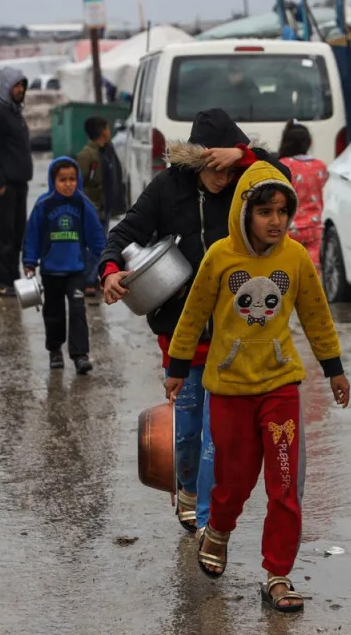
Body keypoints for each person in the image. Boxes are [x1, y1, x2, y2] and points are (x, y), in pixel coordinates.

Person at [163, 161, 350, 613]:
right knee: (234, 480)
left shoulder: (295, 260)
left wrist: (333, 368)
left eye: (283, 212)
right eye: (265, 211)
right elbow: (192, 315)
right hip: (228, 390)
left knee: (284, 483)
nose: (276, 221)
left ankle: (278, 575)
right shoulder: (220, 257)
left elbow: (315, 314)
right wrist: (178, 366)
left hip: (280, 387)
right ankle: (219, 530)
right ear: (245, 212)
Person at [99, 108, 291, 537]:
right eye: (213, 169)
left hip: (231, 330)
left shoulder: (246, 186)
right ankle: (186, 487)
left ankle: (206, 521)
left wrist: (242, 155)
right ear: (195, 161)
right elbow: (123, 232)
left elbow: (281, 176)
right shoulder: (167, 189)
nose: (222, 179)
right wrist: (110, 268)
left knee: (215, 437)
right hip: (180, 333)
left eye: (228, 169)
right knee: (186, 433)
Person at [23, 158, 106, 375]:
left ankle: (80, 355)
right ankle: (55, 350)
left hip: (76, 270)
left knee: (78, 310)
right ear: (53, 180)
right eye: (62, 180)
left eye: (72, 179)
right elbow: (32, 235)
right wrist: (29, 262)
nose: (68, 184)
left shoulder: (83, 204)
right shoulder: (44, 204)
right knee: (54, 312)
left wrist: (107, 263)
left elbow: (96, 237)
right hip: (51, 270)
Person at [0, 67, 33, 298]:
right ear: (5, 86)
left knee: (17, 232)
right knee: (4, 233)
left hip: (19, 182)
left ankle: (12, 278)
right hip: (5, 184)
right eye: (16, 85)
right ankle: (1, 281)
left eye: (22, 85)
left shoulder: (15, 113)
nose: (20, 90)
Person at [76, 115, 123, 296]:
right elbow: (79, 184)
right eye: (108, 128)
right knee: (95, 245)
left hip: (105, 208)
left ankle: (92, 279)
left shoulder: (107, 151)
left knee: (101, 244)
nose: (110, 132)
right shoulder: (87, 155)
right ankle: (88, 281)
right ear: (103, 131)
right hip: (93, 209)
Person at [278, 120, 327, 269]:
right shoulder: (320, 166)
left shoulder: (283, 165)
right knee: (311, 272)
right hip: (314, 228)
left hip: (288, 229)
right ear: (309, 143)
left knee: (288, 270)